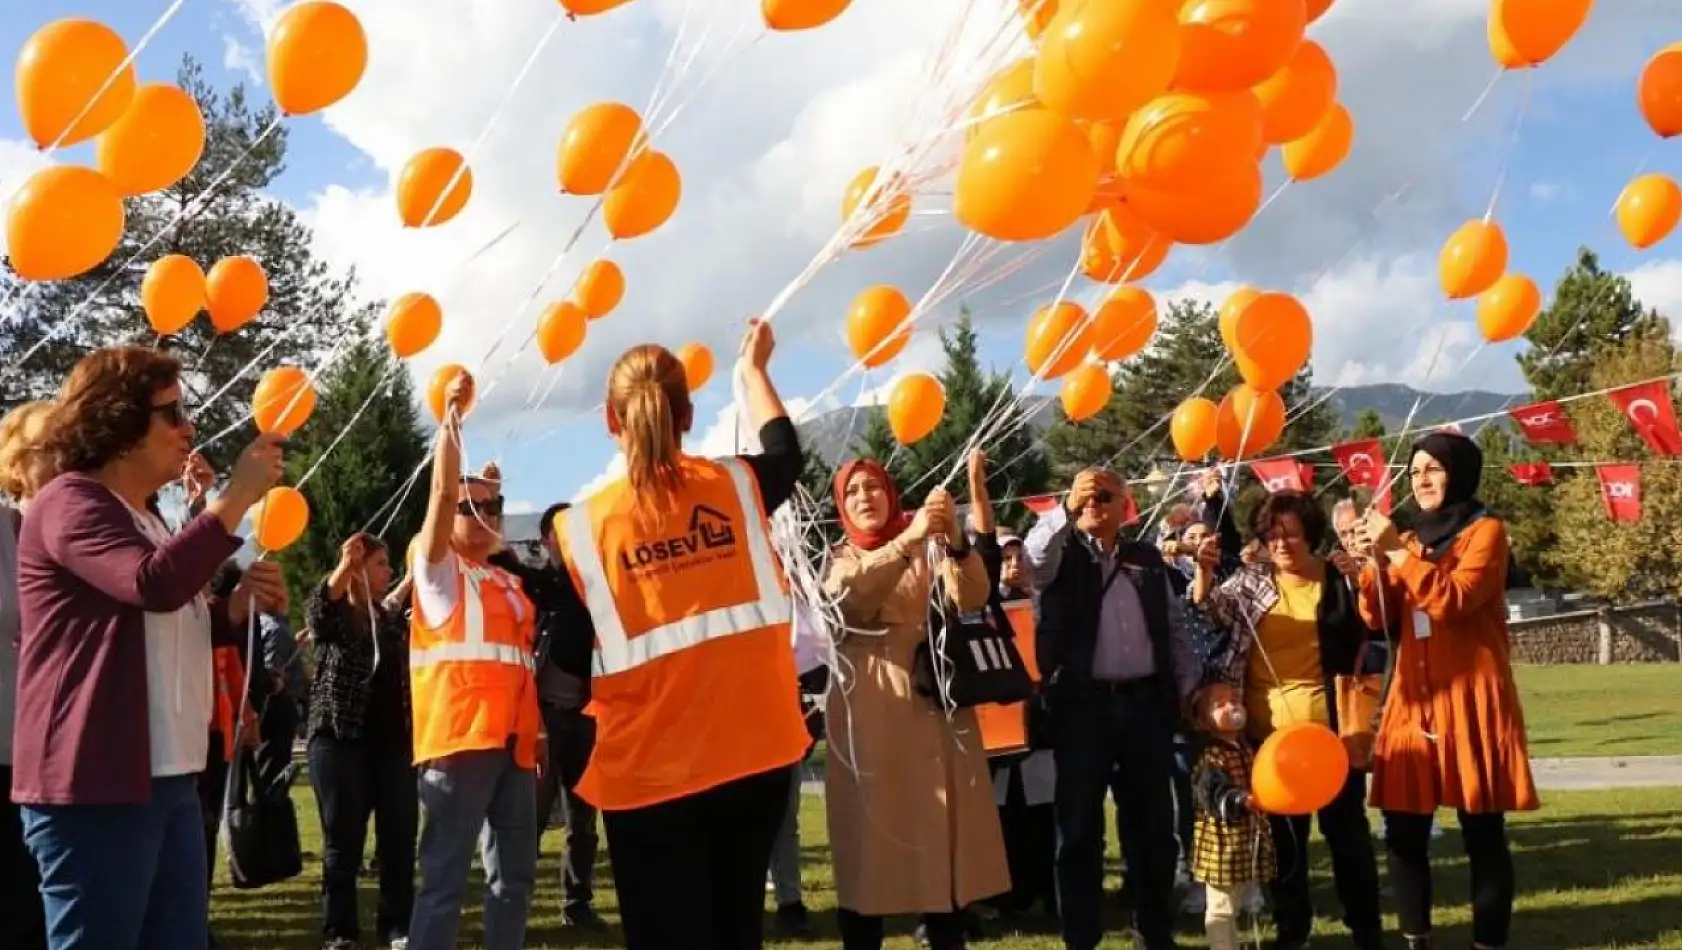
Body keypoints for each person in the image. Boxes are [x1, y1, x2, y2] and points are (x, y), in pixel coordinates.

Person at [12, 346, 285, 950]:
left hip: (168, 778)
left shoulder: (145, 517)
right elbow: (151, 585)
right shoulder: (69, 501)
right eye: (172, 412)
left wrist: (231, 610)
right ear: (120, 422)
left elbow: (165, 617)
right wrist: (235, 497)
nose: (188, 426)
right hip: (96, 785)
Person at [548, 321, 808, 950]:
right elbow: (786, 458)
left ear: (612, 421)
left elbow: (565, 665)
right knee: (735, 927)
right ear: (688, 413)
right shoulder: (739, 488)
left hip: (650, 772)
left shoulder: (582, 530)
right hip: (757, 752)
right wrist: (751, 373)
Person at [1355, 432, 1538, 950]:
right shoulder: (1409, 539)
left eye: (1433, 468)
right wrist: (1373, 563)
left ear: (1459, 471)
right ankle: (1418, 940)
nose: (1422, 479)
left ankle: (1487, 944)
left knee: (1482, 830)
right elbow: (1378, 617)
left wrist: (1394, 553)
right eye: (1414, 472)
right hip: (1413, 700)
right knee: (1404, 831)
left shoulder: (1488, 532)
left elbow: (1453, 600)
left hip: (1471, 696)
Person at [824, 453, 1006, 950]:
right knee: (869, 848)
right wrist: (909, 539)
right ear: (842, 504)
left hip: (933, 707)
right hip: (871, 712)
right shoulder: (839, 555)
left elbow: (972, 597)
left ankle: (947, 937)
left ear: (891, 493)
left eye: (874, 487)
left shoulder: (928, 547)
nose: (866, 497)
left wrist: (956, 541)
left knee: (942, 844)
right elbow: (852, 599)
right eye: (854, 491)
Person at [1190, 490, 1386, 950]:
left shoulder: (1338, 578)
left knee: (1348, 839)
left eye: (1291, 535)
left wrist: (1363, 572)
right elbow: (1206, 611)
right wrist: (1202, 570)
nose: (1281, 544)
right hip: (1268, 739)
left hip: (1336, 737)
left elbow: (1376, 624)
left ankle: (1367, 932)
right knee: (1284, 847)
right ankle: (1292, 933)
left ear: (1311, 536)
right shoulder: (1250, 582)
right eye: (1272, 535)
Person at [1025, 466, 1202, 950]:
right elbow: (1032, 559)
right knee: (1079, 830)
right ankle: (1081, 938)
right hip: (1083, 707)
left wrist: (1187, 688)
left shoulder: (1145, 557)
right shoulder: (1061, 554)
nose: (1094, 504)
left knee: (1153, 830)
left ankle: (1154, 930)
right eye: (1087, 495)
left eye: (1104, 495)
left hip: (1145, 704)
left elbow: (1175, 626)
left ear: (1125, 505)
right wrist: (1063, 508)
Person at [406, 369, 543, 950]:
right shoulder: (438, 571)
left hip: (514, 745)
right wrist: (452, 421)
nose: (486, 513)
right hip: (459, 744)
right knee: (443, 882)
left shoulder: (503, 578)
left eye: (495, 504)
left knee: (513, 878)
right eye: (474, 506)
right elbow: (441, 497)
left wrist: (534, 741)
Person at [486, 497, 604, 932]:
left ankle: (578, 905)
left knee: (583, 821)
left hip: (586, 717)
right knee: (528, 819)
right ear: (546, 540)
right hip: (541, 721)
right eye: (562, 533)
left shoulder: (595, 587)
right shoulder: (538, 587)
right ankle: (520, 906)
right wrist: (490, 510)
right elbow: (506, 563)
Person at [307, 533, 417, 950]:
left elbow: (397, 598)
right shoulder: (337, 614)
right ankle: (340, 930)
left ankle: (396, 926)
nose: (389, 571)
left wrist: (414, 572)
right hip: (340, 740)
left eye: (390, 564)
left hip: (391, 746)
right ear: (359, 569)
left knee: (399, 838)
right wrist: (344, 566)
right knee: (343, 840)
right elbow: (320, 609)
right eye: (381, 564)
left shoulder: (384, 618)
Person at [969, 452, 1055, 925]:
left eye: (1017, 555)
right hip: (995, 733)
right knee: (999, 820)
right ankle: (1002, 896)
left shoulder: (1042, 607)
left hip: (1039, 729)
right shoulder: (976, 612)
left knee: (1040, 816)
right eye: (1003, 557)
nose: (1013, 563)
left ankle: (1041, 891)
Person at [0, 400, 54, 950]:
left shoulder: (74, 528)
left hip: (48, 752)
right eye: (49, 449)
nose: (65, 459)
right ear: (18, 460)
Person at [1189, 683, 1274, 950]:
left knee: (1234, 904)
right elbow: (1212, 791)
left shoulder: (1244, 747)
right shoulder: (1211, 754)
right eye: (1221, 704)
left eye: (1236, 700)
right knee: (1221, 909)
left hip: (1242, 841)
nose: (1232, 706)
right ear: (1204, 720)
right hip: (1221, 846)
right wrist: (1240, 799)